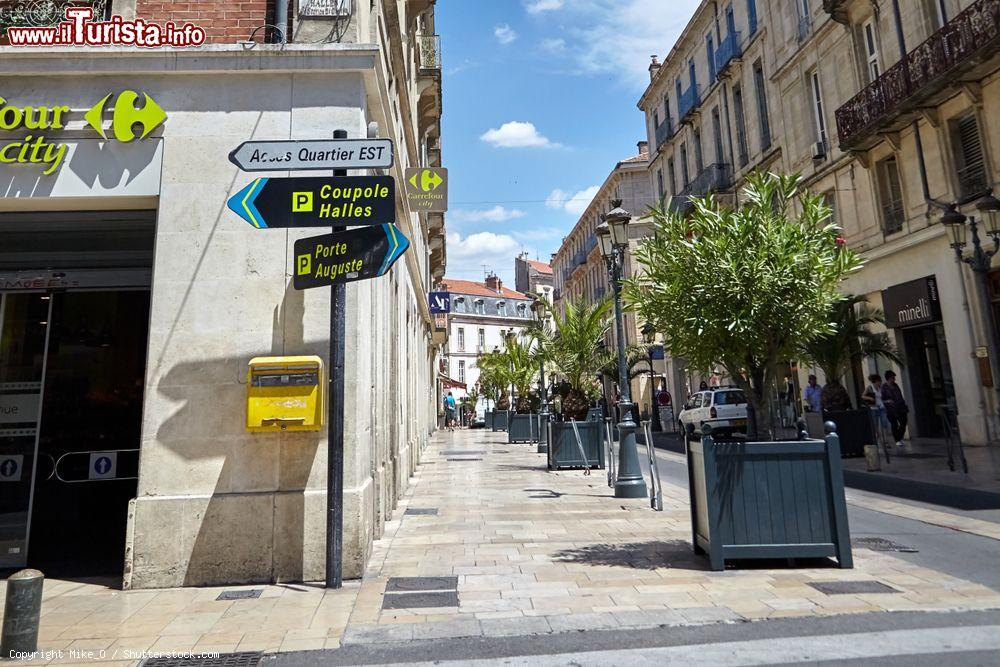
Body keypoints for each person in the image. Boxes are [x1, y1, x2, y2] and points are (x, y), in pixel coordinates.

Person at [880, 370, 909, 448]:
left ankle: (899, 437)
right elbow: (881, 399)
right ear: (889, 378)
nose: (894, 379)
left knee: (904, 422)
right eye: (893, 378)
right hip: (891, 409)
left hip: (900, 407)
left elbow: (900, 395)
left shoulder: (895, 385)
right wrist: (888, 401)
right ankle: (897, 440)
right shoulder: (884, 387)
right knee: (894, 424)